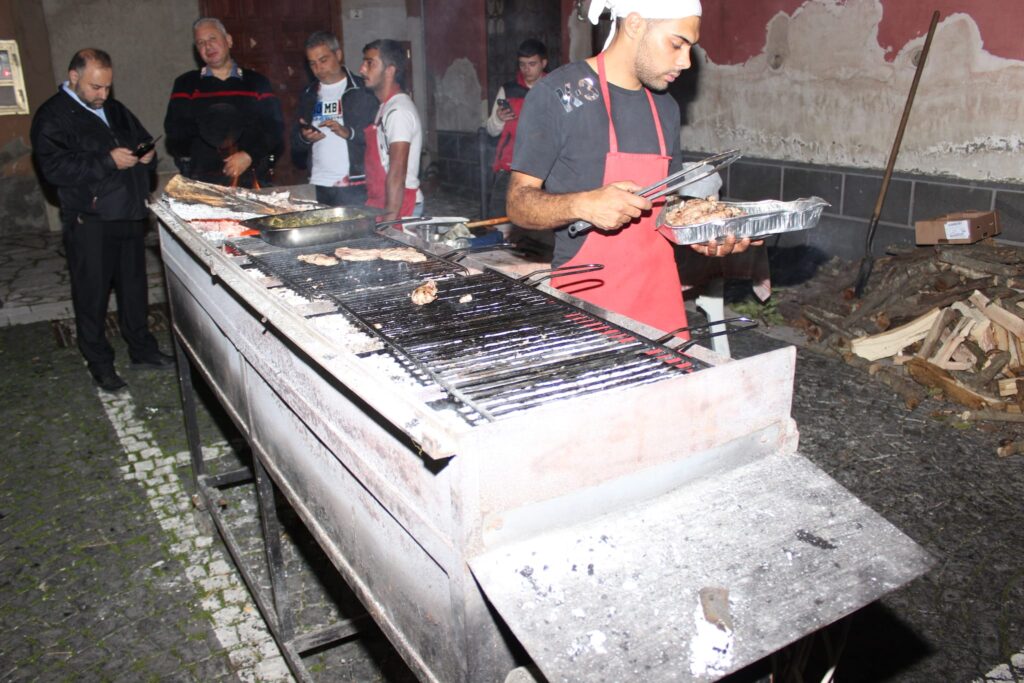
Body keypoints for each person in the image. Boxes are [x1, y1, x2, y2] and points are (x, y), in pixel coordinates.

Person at [506, 0, 758, 336]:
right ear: (636, 24)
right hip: (587, 304)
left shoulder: (665, 107)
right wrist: (582, 204)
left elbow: (666, 209)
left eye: (689, 48)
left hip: (660, 303)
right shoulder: (558, 95)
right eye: (676, 43)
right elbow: (518, 203)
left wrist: (701, 232)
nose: (685, 61)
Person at [31, 48, 175, 391]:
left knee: (134, 290)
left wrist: (147, 155)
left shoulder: (113, 107)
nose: (104, 95)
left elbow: (139, 137)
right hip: (90, 219)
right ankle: (99, 362)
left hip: (128, 213)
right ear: (75, 76)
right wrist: (107, 161)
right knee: (92, 295)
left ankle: (143, 350)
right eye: (96, 87)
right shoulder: (52, 116)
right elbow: (54, 169)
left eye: (108, 87)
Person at [164, 17, 283, 188]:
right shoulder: (186, 84)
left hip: (252, 179)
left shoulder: (256, 82)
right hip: (204, 184)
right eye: (201, 43)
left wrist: (248, 155)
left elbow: (274, 128)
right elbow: (174, 134)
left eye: (212, 38)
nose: (208, 46)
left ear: (228, 40)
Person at [291, 31, 378, 207]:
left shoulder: (362, 91)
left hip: (355, 184)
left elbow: (380, 138)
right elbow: (295, 149)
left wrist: (349, 133)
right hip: (318, 183)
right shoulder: (308, 95)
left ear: (338, 55)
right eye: (312, 64)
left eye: (323, 60)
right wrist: (304, 137)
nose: (319, 69)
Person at [358, 39, 423, 222]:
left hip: (400, 208)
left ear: (390, 70)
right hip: (382, 203)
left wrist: (390, 223)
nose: (362, 69)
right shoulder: (385, 107)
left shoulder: (399, 111)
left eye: (370, 63)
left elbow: (397, 172)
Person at [485, 39, 548, 175]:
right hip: (511, 166)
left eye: (532, 64)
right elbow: (491, 131)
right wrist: (498, 119)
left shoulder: (554, 89)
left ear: (543, 63)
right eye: (522, 64)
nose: (526, 69)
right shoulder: (508, 91)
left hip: (545, 166)